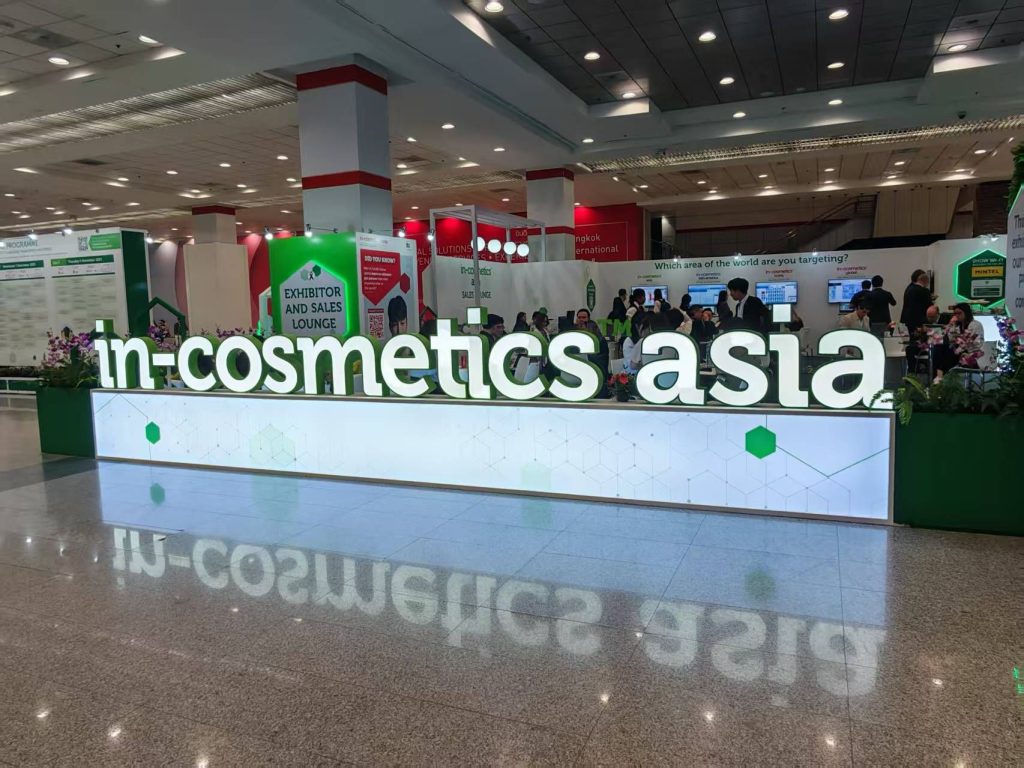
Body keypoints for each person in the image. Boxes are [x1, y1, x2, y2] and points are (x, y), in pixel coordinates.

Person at [945, 302, 986, 369]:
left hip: (974, 351)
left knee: (951, 355)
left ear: (966, 313)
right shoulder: (957, 325)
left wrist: (957, 339)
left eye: (959, 313)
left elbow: (969, 341)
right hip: (960, 351)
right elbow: (950, 339)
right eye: (955, 314)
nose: (957, 315)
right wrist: (951, 325)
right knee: (943, 350)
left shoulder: (975, 325)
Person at [901, 269, 933, 333]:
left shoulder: (909, 288)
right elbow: (929, 306)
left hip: (907, 320)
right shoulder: (924, 291)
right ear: (924, 280)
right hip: (920, 322)